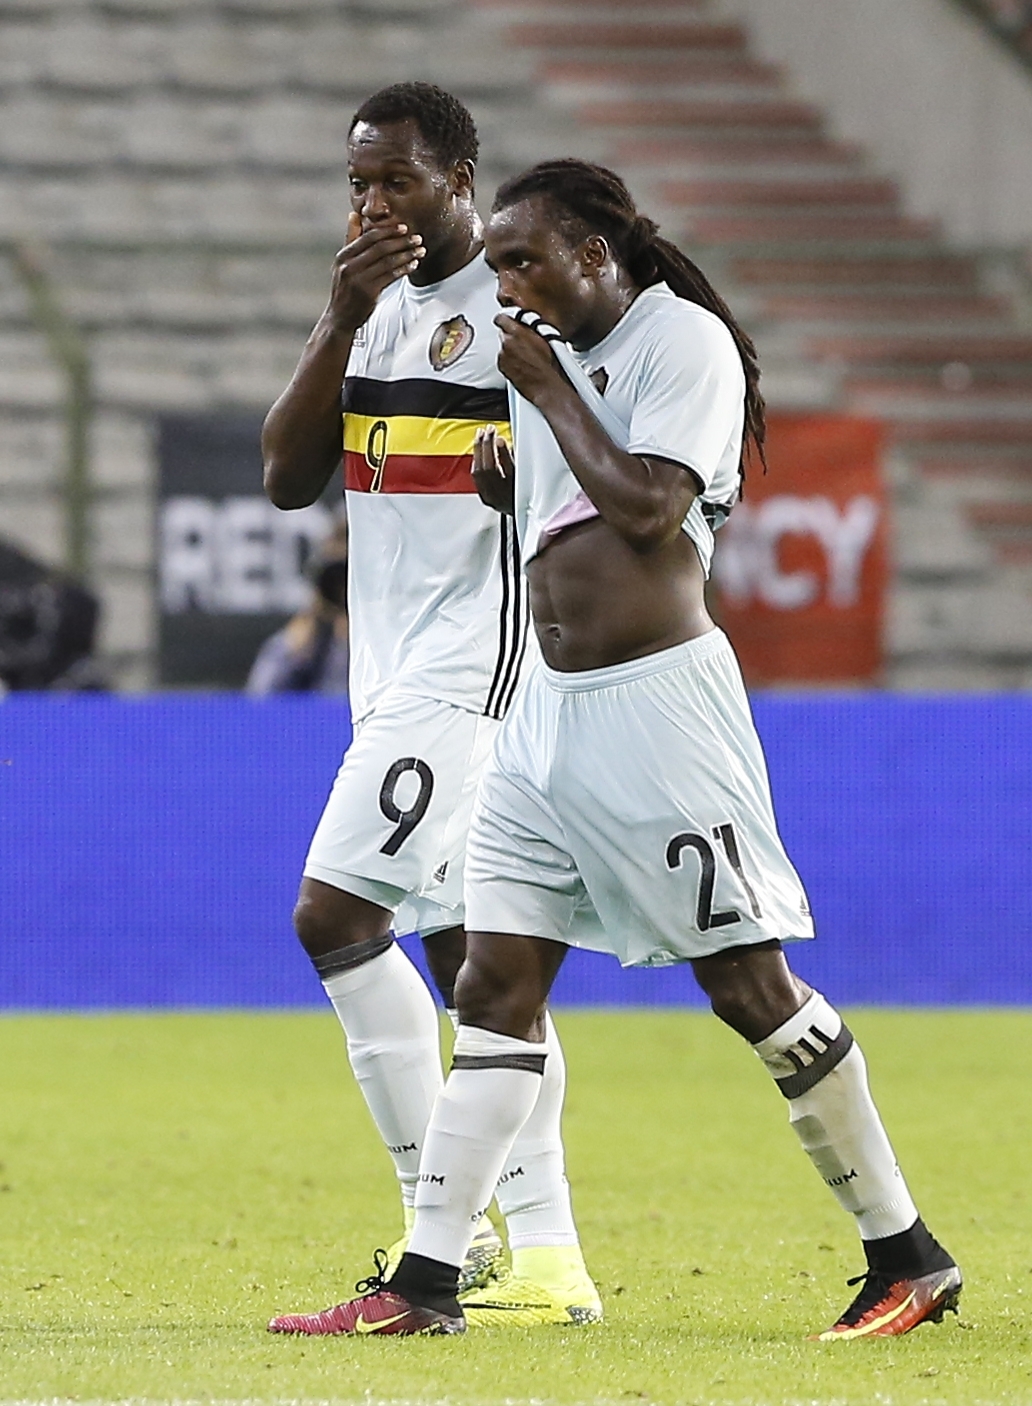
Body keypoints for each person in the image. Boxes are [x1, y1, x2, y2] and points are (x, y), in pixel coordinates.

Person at [317, 159, 963, 1338]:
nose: (507, 284)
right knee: (493, 983)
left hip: (657, 711)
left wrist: (550, 394)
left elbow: (653, 509)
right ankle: (427, 1284)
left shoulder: (687, 347)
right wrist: (514, 468)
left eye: (525, 260)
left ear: (596, 256)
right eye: (498, 262)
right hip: (539, 710)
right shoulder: (542, 358)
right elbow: (565, 515)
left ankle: (905, 1251)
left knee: (749, 988)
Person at [261, 87, 600, 1333]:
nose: (372, 206)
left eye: (396, 182)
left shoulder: (515, 315)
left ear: (461, 176)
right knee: (472, 962)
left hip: (484, 664)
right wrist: (340, 312)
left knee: (334, 914)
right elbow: (290, 478)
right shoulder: (369, 312)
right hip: (391, 672)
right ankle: (549, 1255)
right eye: (358, 185)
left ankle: (431, 1241)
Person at [246, 517, 351, 696]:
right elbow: (259, 705)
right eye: (333, 579)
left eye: (347, 576)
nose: (341, 589)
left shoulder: (393, 637)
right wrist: (296, 653)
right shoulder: (298, 639)